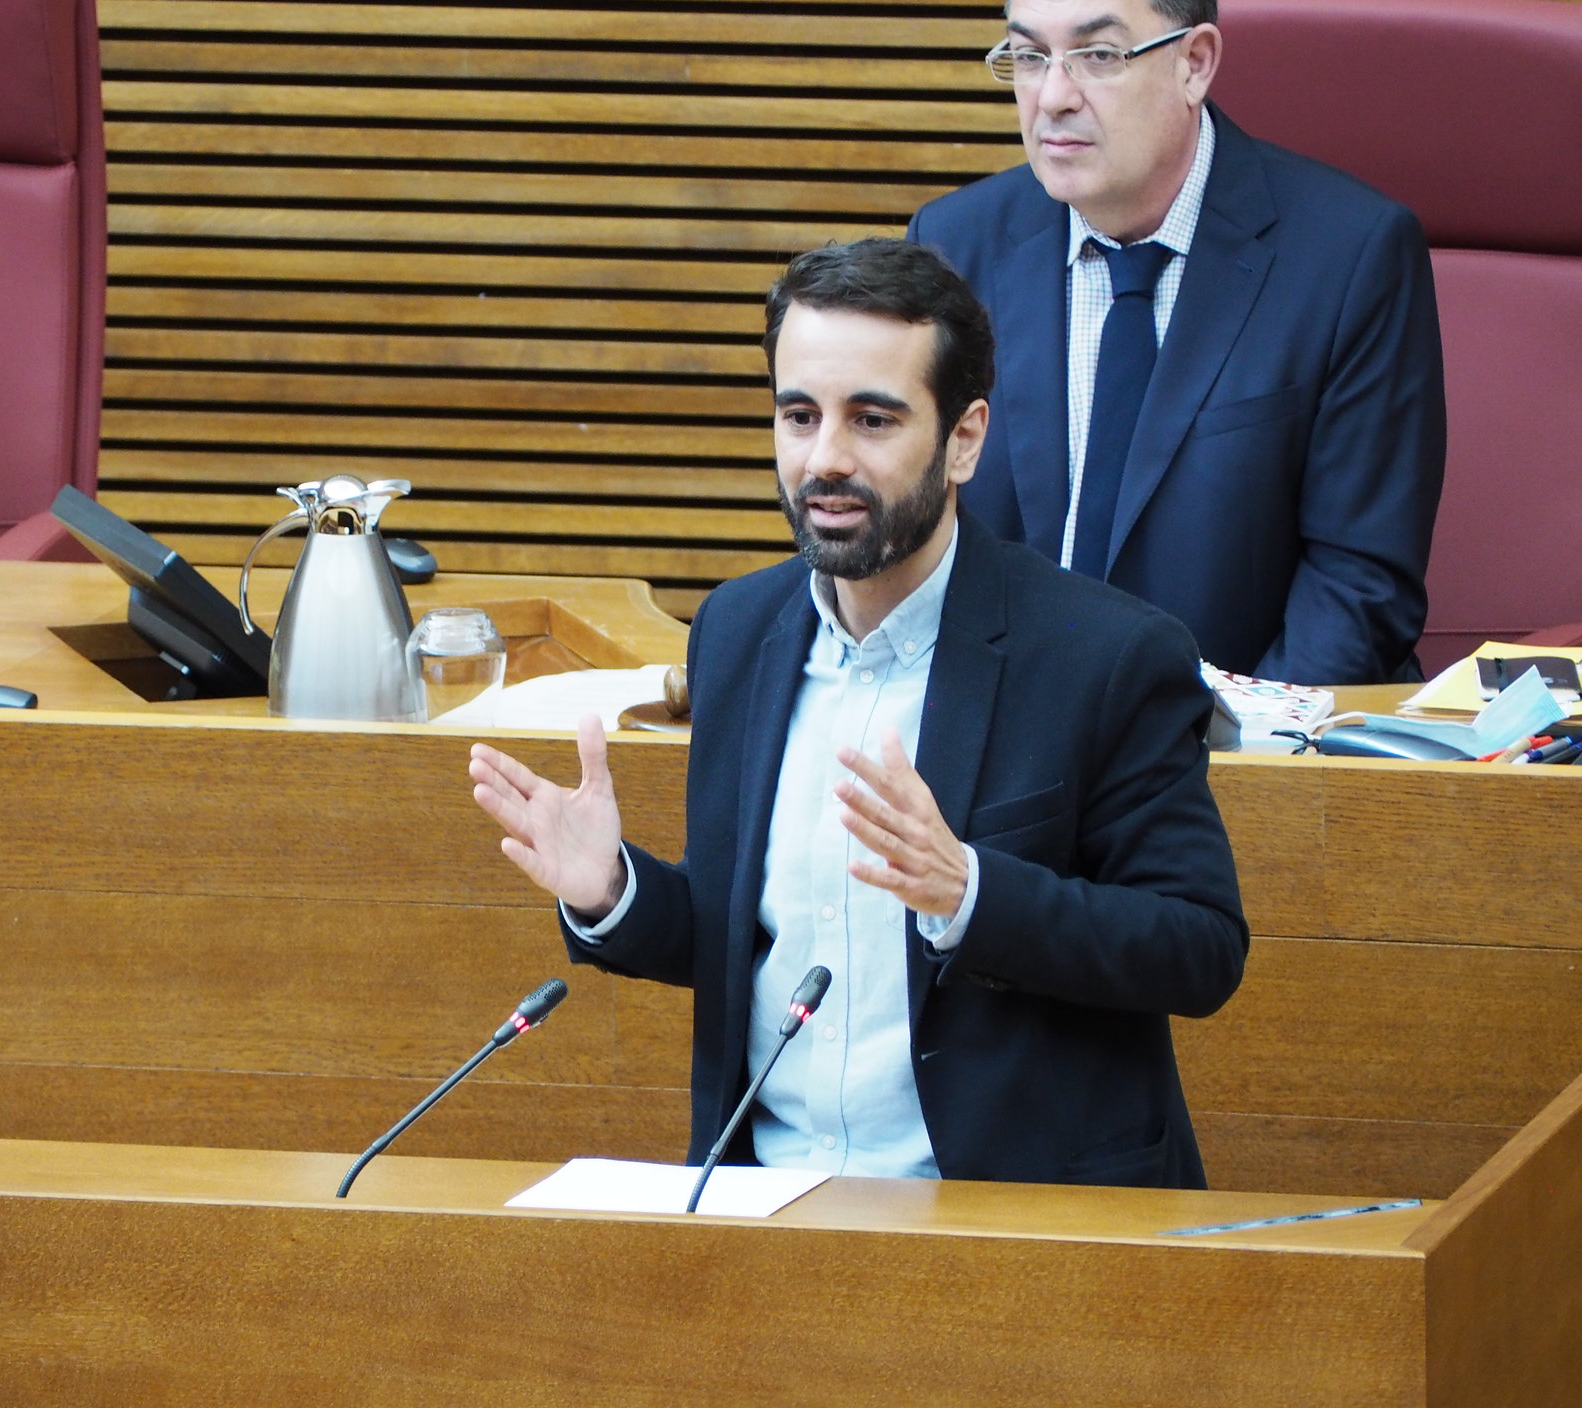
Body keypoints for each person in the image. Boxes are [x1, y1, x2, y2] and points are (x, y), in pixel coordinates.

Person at [468, 239, 1247, 1189]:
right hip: (768, 1198)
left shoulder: (1106, 656)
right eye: (800, 416)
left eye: (872, 420)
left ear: (963, 439)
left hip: (1011, 1219)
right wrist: (615, 892)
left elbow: (1199, 949)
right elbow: (758, 941)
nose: (825, 459)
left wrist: (968, 892)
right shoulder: (738, 631)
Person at [905, 0, 1444, 686]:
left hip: (1238, 755)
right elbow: (911, 536)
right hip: (1001, 754)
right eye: (1030, 57)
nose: (1053, 97)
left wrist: (1204, 770)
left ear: (1195, 63)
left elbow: (1357, 588)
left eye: (1098, 57)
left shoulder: (1351, 257)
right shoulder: (954, 246)